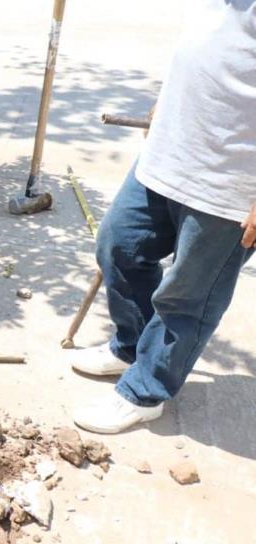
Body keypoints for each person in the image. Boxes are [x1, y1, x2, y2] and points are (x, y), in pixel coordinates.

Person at [70, 0, 256, 434]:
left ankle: (146, 390)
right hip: (169, 154)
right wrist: (164, 103)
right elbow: (206, 49)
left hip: (228, 186)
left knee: (186, 298)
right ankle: (131, 347)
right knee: (119, 244)